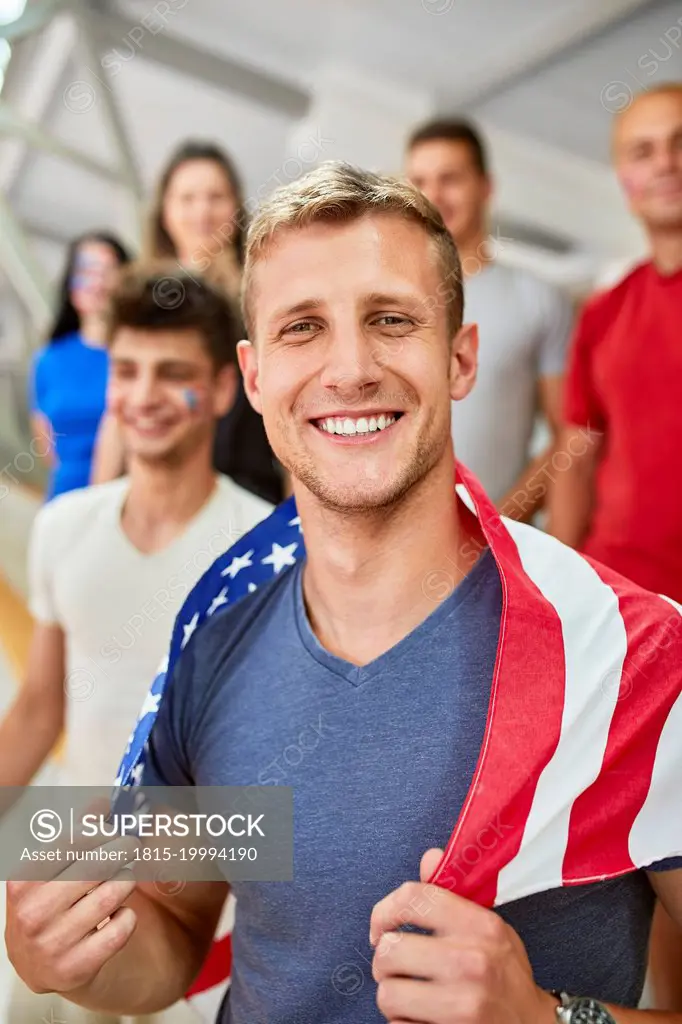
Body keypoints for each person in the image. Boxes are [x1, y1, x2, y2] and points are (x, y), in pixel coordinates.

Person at [5, 164, 682, 1024]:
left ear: (460, 356)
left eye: (391, 320)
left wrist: (549, 1018)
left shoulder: (632, 656)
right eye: (303, 329)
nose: (351, 368)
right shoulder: (214, 639)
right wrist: (74, 956)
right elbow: (175, 926)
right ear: (253, 379)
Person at [91, 140, 284, 505]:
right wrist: (98, 502)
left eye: (216, 197)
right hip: (157, 494)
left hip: (247, 496)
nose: (202, 212)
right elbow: (117, 412)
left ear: (237, 207)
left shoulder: (266, 293)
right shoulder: (138, 301)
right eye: (187, 198)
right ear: (164, 211)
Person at [550, 83, 682, 604]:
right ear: (625, 182)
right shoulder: (605, 312)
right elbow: (576, 456)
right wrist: (555, 586)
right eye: (643, 152)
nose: (666, 164)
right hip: (618, 597)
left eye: (679, 143)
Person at [406, 119, 574, 519]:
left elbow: (568, 436)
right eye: (420, 181)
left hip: (498, 548)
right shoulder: (382, 301)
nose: (434, 195)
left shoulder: (538, 300)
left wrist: (499, 523)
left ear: (486, 187)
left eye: (450, 179)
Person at [30, 231, 131, 500]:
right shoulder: (48, 360)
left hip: (126, 501)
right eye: (86, 271)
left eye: (107, 271)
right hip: (62, 501)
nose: (97, 283)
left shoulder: (138, 356)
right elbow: (46, 446)